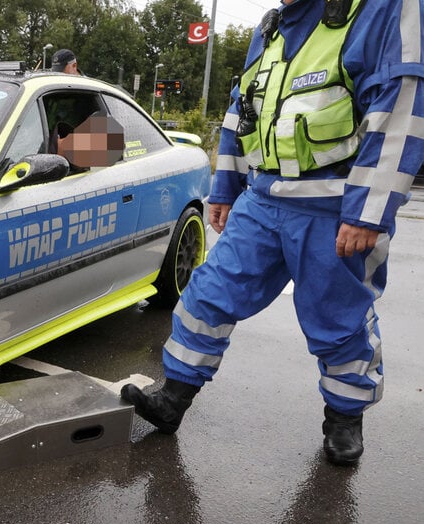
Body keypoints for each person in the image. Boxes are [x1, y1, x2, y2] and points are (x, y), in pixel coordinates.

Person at [121, 0, 424, 466]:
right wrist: (224, 188)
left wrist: (369, 212)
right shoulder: (271, 27)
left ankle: (345, 419)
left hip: (335, 207)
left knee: (338, 320)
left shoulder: (384, 9)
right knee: (207, 296)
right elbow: (241, 112)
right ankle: (173, 399)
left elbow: (400, 110)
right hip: (261, 202)